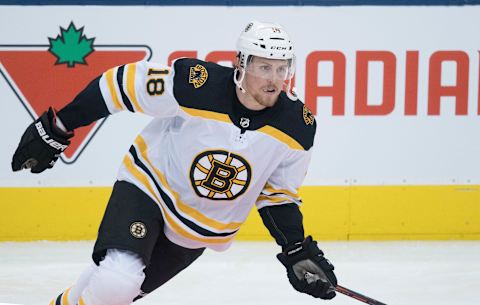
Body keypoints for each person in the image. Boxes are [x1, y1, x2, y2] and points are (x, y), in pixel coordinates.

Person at [11, 21, 337, 305]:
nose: (275, 80)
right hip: (148, 188)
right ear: (241, 62)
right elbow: (121, 85)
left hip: (195, 231)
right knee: (116, 283)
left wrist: (295, 248)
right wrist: (60, 125)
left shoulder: (298, 127)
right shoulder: (195, 84)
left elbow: (277, 194)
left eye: (283, 68)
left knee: (111, 292)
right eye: (265, 67)